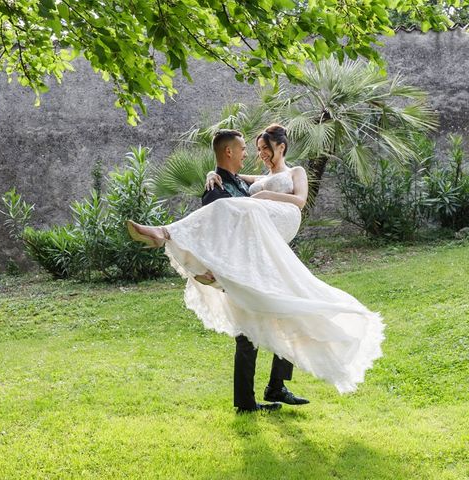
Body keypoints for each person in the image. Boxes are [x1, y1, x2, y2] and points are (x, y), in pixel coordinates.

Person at [127, 125, 385, 412]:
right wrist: (210, 175)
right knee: (269, 320)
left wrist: (262, 197)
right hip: (254, 257)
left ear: (281, 147)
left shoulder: (290, 173)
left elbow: (298, 201)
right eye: (254, 149)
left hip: (275, 232)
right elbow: (222, 216)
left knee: (283, 310)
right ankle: (259, 395)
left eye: (264, 148)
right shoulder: (237, 184)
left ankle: (275, 385)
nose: (258, 154)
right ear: (230, 151)